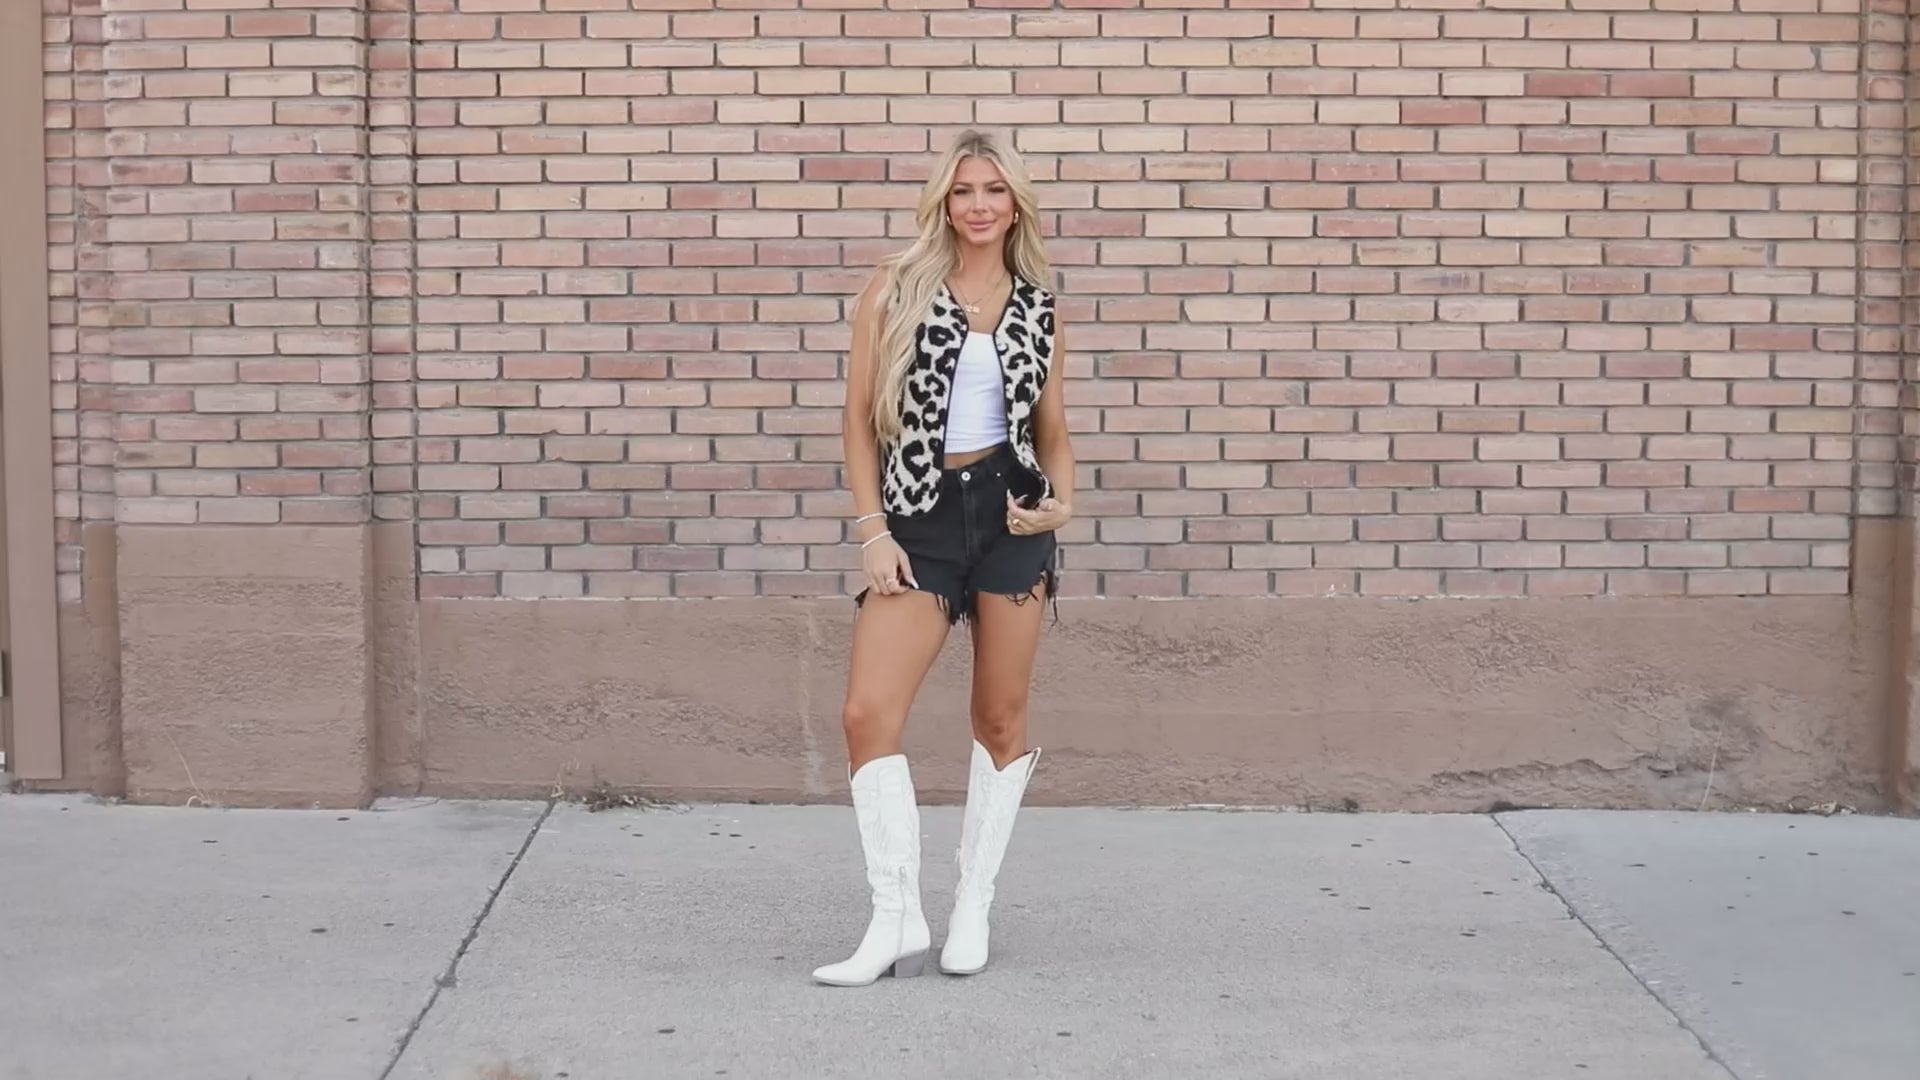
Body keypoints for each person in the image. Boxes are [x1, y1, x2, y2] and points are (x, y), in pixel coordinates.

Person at [811, 129, 1075, 987]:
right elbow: (858, 418)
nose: (979, 205)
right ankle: (895, 916)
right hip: (918, 518)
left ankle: (972, 906)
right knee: (866, 714)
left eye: (994, 190)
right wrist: (872, 530)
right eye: (963, 190)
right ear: (943, 203)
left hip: (1010, 519)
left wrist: (1063, 503)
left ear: (1016, 205)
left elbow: (1052, 428)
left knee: (999, 720)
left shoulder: (1038, 303)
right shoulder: (895, 288)